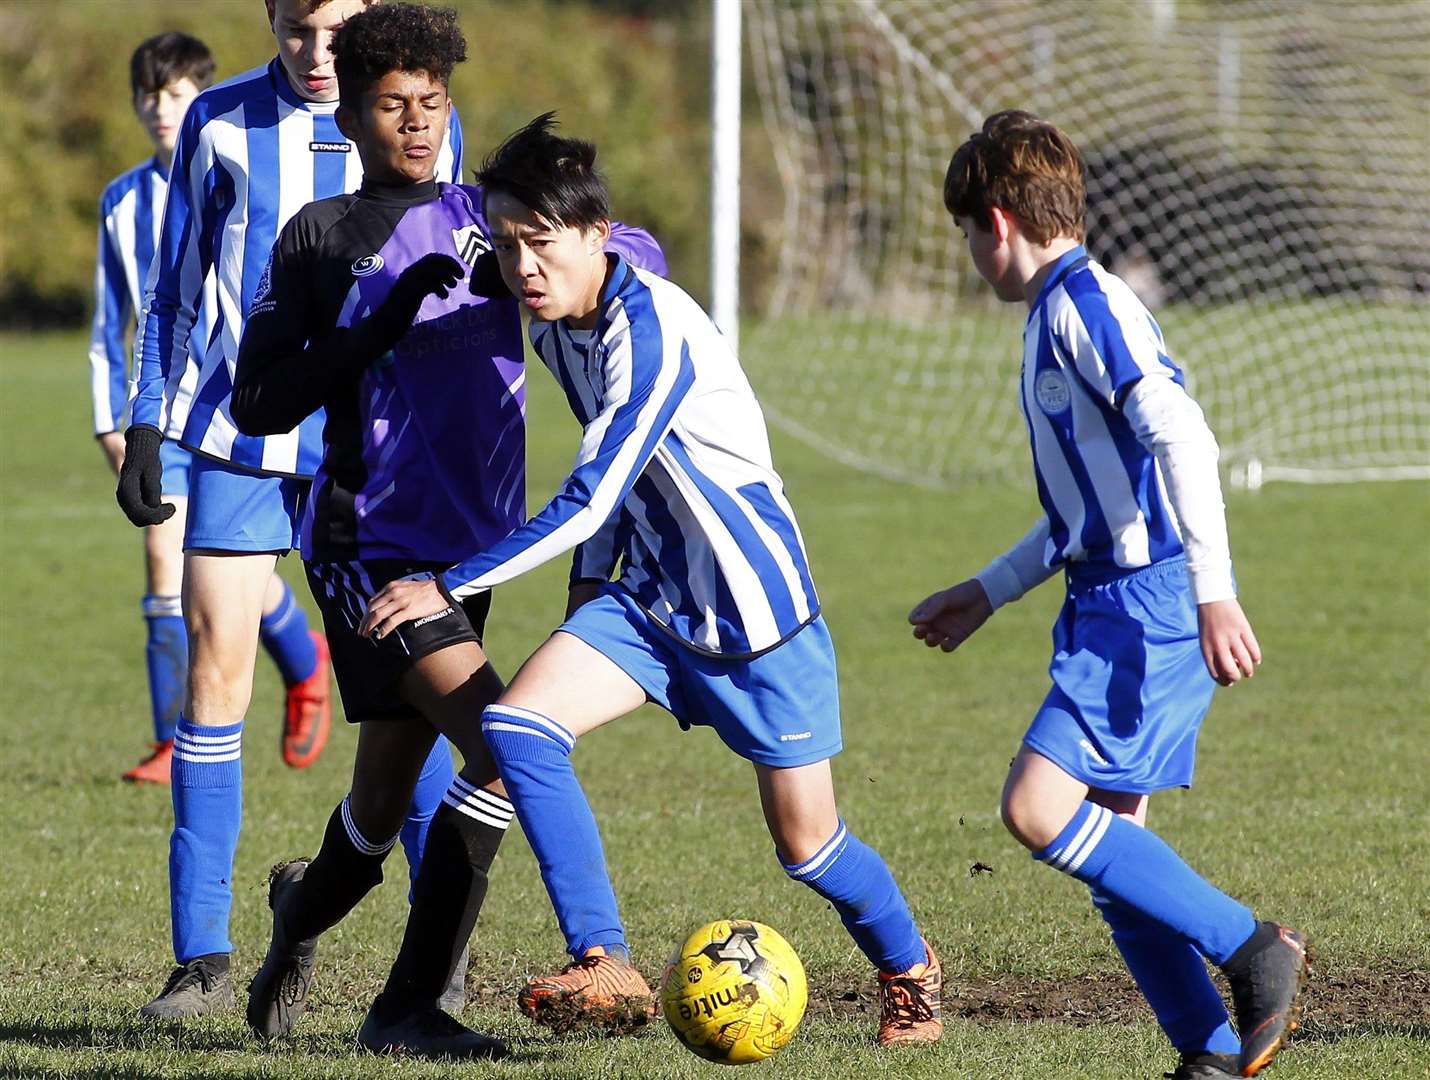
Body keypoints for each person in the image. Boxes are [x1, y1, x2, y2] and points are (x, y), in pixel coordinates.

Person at [360, 114, 944, 1049]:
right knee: (516, 725)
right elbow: (619, 495)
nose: (523, 269)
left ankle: (910, 972)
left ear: (594, 235)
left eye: (542, 244)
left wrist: (448, 584)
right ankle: (603, 960)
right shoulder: (559, 331)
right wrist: (589, 601)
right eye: (509, 247)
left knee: (809, 847)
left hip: (756, 620)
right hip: (653, 604)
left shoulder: (655, 328)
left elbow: (593, 495)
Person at [227, 5, 663, 1057]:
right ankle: (410, 1009)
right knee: (505, 743)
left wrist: (594, 254)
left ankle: (298, 913)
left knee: (377, 811)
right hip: (368, 548)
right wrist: (377, 322)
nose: (415, 124)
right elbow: (257, 403)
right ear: (355, 108)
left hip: (469, 558)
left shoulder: (489, 219)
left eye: (431, 103)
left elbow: (615, 251)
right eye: (392, 105)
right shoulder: (323, 238)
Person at [908, 111, 1310, 1080]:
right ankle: (1209, 1056)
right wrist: (988, 590)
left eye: (967, 234)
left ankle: (1253, 948)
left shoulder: (1084, 308)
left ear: (996, 224)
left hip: (1147, 605)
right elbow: (1086, 508)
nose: (970, 255)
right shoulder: (1056, 313)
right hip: (1107, 598)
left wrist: (1212, 594)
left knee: (1037, 809)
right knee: (1111, 852)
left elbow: (1183, 439)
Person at [115, 0, 462, 1020]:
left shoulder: (418, 111)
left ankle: (426, 969)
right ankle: (202, 960)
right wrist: (147, 425)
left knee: (417, 697)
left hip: (374, 453)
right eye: (298, 31)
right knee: (216, 672)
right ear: (269, 18)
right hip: (238, 438)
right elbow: (176, 297)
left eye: (337, 30)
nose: (319, 55)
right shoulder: (218, 125)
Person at [89, 33, 216, 785]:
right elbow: (112, 323)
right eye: (147, 94)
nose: (158, 108)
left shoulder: (236, 168)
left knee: (229, 564)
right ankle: (172, 741)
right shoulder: (121, 201)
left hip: (238, 407)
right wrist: (111, 420)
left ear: (201, 94)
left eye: (173, 94)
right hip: (158, 410)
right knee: (165, 553)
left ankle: (304, 662)